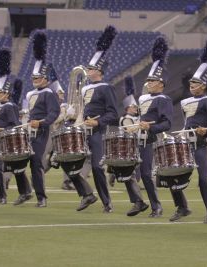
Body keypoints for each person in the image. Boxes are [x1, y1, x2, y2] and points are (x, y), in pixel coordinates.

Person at [168, 32, 207, 224]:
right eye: (191, 82)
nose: (192, 85)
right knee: (172, 173)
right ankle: (182, 207)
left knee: (203, 179)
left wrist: (205, 131)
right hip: (186, 143)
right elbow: (186, 123)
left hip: (200, 144)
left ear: (204, 85)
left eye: (196, 82)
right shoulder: (185, 102)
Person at [73, 25, 119, 213]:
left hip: (98, 132)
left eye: (90, 67)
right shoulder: (84, 89)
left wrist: (98, 122)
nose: (88, 70)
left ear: (98, 70)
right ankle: (86, 194)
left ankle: (106, 202)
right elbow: (83, 111)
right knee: (68, 161)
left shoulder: (106, 87)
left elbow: (114, 114)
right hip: (84, 130)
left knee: (97, 168)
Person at [136, 36, 173, 218]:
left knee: (146, 173)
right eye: (148, 80)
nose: (148, 83)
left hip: (152, 139)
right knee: (126, 170)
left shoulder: (163, 99)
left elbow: (167, 123)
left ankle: (156, 206)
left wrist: (150, 128)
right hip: (139, 137)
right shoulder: (143, 99)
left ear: (161, 84)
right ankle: (138, 202)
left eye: (152, 81)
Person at [0, 48, 33, 204]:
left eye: (0, 92)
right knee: (16, 170)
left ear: (7, 94)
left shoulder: (10, 106)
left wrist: (0, 129)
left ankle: (2, 197)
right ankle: (26, 192)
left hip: (7, 143)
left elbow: (15, 126)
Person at [25, 30, 61, 207]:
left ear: (45, 78)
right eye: (33, 77)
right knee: (15, 159)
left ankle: (41, 197)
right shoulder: (30, 93)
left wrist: (41, 122)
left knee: (36, 162)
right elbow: (27, 112)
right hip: (29, 131)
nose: (35, 79)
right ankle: (26, 192)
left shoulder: (49, 93)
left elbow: (54, 114)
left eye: (38, 77)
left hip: (43, 132)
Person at [112, 75, 149, 216]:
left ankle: (139, 201)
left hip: (137, 146)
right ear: (128, 108)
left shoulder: (136, 117)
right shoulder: (125, 118)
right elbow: (129, 129)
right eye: (133, 106)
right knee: (130, 173)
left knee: (132, 174)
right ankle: (114, 173)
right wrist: (140, 124)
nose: (135, 108)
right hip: (127, 147)